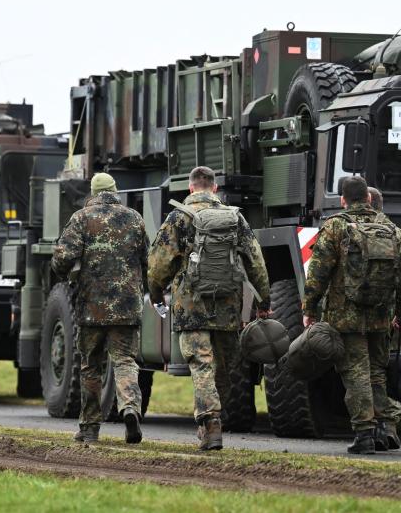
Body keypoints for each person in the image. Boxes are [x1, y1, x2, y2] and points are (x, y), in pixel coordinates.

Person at [148, 166, 271, 450]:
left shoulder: (178, 217)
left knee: (201, 364)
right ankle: (215, 418)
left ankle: (210, 422)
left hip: (190, 308)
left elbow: (158, 266)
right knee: (224, 369)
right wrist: (264, 302)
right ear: (214, 189)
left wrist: (156, 294)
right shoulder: (234, 217)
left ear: (191, 189)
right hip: (227, 307)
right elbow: (256, 263)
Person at [302, 176, 401, 455]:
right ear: (370, 199)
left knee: (356, 373)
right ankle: (385, 430)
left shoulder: (336, 227)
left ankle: (364, 434)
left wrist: (309, 309)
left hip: (346, 315)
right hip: (380, 316)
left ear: (342, 200)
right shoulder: (392, 230)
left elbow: (317, 273)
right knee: (377, 373)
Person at [51, 172, 149, 445]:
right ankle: (130, 408)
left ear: (93, 193)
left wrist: (61, 272)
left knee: (90, 366)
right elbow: (147, 260)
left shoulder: (81, 218)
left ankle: (90, 427)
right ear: (115, 190)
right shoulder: (134, 218)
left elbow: (63, 258)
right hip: (127, 307)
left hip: (91, 308)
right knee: (125, 361)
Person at [364, 185, 401, 451]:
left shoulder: (347, 231)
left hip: (350, 319)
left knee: (357, 372)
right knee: (384, 369)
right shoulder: (400, 236)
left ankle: (365, 427)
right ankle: (387, 426)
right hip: (388, 319)